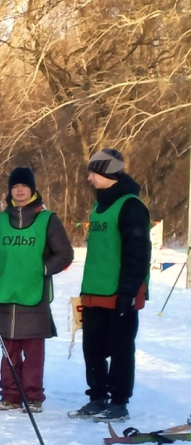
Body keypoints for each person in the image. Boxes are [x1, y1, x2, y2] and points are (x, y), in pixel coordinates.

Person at [0, 166, 73, 414]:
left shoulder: (47, 219)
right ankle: (10, 396)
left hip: (34, 295)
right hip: (5, 294)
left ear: (32, 189)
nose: (19, 190)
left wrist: (43, 269)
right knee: (8, 350)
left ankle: (33, 397)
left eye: (24, 186)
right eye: (15, 186)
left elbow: (65, 253)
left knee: (33, 352)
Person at [74, 148, 151, 419]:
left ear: (108, 173)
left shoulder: (131, 206)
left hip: (120, 291)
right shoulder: (98, 205)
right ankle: (97, 397)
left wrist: (128, 290)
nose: (89, 178)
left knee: (120, 349)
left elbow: (137, 253)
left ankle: (119, 402)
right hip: (94, 290)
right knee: (92, 349)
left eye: (93, 172)